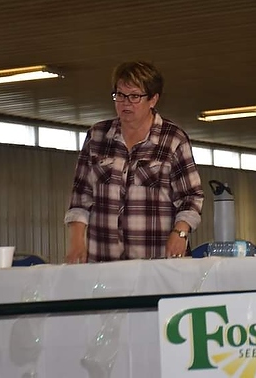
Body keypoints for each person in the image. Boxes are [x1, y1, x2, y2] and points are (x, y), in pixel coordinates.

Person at [65, 61, 204, 262]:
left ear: (153, 99)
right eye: (120, 95)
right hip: (103, 262)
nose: (125, 103)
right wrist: (76, 241)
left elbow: (191, 196)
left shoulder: (174, 139)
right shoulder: (96, 136)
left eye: (134, 96)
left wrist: (180, 232)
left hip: (157, 262)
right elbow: (80, 196)